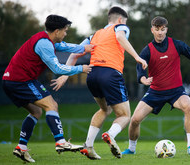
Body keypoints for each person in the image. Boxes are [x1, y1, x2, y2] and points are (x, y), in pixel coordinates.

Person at [51, 6, 147, 160]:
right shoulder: (121, 27)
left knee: (104, 109)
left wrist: (66, 74)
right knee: (124, 115)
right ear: (121, 19)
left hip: (92, 74)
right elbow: (121, 37)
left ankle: (88, 146)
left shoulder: (94, 35)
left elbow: (75, 53)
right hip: (110, 73)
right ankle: (110, 135)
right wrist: (137, 57)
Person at [2, 14, 94, 163]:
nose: (65, 34)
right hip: (20, 80)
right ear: (57, 31)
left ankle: (21, 148)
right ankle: (60, 142)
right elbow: (57, 68)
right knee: (51, 105)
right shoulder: (44, 44)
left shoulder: (47, 39)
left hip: (11, 80)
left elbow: (65, 46)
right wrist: (80, 68)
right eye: (65, 31)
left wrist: (84, 48)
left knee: (36, 111)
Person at [122, 16, 190, 155]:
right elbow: (140, 66)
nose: (160, 33)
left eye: (163, 29)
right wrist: (142, 79)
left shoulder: (177, 45)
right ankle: (131, 149)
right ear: (152, 30)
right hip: (155, 92)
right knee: (134, 120)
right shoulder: (147, 50)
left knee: (189, 107)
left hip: (176, 91)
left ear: (166, 30)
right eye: (157, 30)